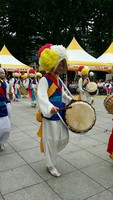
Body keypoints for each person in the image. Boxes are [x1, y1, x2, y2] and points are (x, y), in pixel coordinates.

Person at [37, 44, 73, 177]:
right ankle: (50, 164)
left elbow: (63, 95)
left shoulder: (58, 79)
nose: (61, 67)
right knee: (51, 140)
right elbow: (41, 97)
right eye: (59, 64)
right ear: (52, 64)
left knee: (63, 138)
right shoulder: (44, 80)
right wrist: (49, 107)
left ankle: (50, 155)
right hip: (51, 114)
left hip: (60, 113)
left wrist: (70, 100)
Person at [0, 68, 11, 151]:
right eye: (1, 73)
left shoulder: (5, 83)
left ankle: (1, 142)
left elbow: (8, 95)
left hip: (3, 106)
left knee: (6, 128)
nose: (2, 74)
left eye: (3, 73)